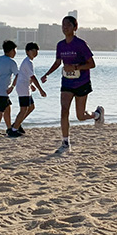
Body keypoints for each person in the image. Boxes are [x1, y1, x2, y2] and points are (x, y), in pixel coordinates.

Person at [41, 15, 104, 154]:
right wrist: (46, 74)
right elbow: (58, 62)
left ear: (75, 27)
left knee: (80, 116)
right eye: (63, 25)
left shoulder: (81, 44)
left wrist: (75, 67)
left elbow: (92, 64)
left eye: (68, 25)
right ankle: (65, 142)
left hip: (82, 82)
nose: (65, 28)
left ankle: (97, 114)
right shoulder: (60, 45)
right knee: (64, 111)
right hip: (67, 83)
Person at [7, 42, 47, 137]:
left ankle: (17, 124)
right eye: (33, 51)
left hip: (26, 86)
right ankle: (14, 129)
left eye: (36, 51)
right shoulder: (28, 62)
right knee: (24, 109)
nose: (35, 53)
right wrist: (40, 90)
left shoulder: (29, 61)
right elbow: (33, 77)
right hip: (23, 87)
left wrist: (31, 85)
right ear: (28, 51)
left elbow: (27, 76)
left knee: (31, 107)